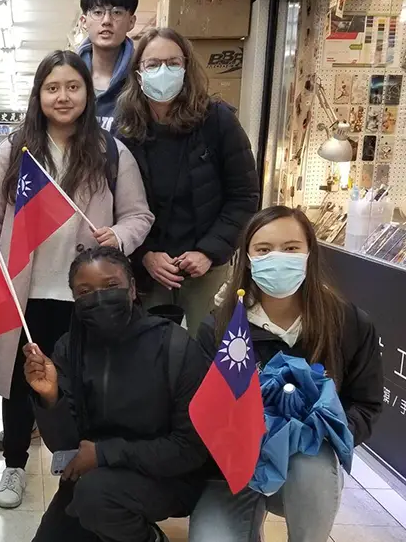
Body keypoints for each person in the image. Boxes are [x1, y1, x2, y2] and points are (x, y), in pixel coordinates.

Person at [0, 49, 154, 509]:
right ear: (38, 95)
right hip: (25, 296)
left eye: (72, 87)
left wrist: (118, 235)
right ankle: (14, 465)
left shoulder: (111, 151)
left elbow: (139, 214)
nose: (62, 96)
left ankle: (80, 464)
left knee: (84, 382)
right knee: (20, 384)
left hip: (88, 297)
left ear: (87, 94)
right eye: (51, 87)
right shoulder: (13, 150)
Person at [188, 205, 383, 542]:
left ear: (310, 253)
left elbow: (365, 405)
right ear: (247, 259)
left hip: (307, 467)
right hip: (234, 470)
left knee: (310, 465)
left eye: (291, 248)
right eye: (264, 249)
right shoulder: (221, 328)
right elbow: (203, 408)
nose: (278, 258)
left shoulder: (348, 324)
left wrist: (319, 432)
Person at [27, 246, 211, 542]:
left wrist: (104, 454)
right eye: (84, 291)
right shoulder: (68, 348)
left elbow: (190, 449)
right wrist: (51, 398)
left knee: (95, 498)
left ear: (133, 288)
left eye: (111, 286)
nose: (98, 298)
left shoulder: (174, 346)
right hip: (95, 476)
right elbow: (66, 446)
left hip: (169, 477)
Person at [117, 27, 259, 333]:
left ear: (187, 67)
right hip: (149, 270)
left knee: (204, 353)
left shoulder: (218, 121)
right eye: (153, 65)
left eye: (173, 63)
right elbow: (117, 206)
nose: (163, 71)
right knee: (152, 355)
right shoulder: (125, 132)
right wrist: (145, 256)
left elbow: (244, 196)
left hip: (206, 268)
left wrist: (209, 251)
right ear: (138, 73)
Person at [77, 0, 139, 132]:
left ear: (131, 21)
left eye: (117, 12)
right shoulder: (68, 75)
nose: (106, 20)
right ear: (84, 21)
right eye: (97, 12)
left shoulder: (142, 78)